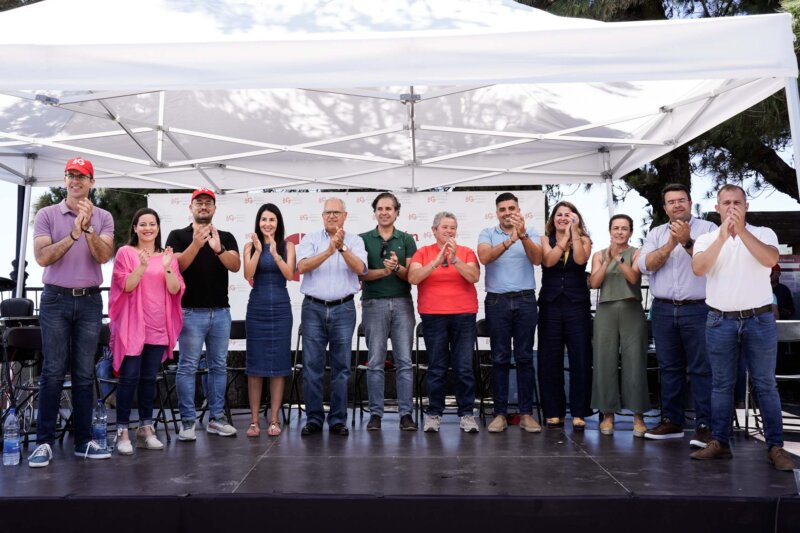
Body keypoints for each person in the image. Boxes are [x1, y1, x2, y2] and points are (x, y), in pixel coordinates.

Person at [690, 184, 795, 471]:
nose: (732, 208)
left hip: (758, 318)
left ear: (746, 206)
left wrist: (742, 231)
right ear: (717, 208)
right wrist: (723, 236)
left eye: (737, 202)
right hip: (719, 318)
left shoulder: (763, 233)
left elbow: (770, 260)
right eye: (726, 203)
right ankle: (720, 442)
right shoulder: (707, 238)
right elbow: (699, 268)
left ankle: (775, 446)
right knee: (721, 384)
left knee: (765, 384)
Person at [28, 157, 115, 467]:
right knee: (52, 370)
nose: (76, 180)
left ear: (92, 182)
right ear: (64, 180)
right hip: (55, 299)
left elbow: (104, 256)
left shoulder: (103, 217)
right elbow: (42, 257)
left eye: (82, 176)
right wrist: (73, 234)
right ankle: (44, 443)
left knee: (83, 372)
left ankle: (84, 441)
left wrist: (88, 228)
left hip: (90, 301)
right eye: (71, 175)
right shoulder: (47, 214)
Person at [637, 183, 716, 447]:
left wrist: (687, 241)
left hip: (699, 308)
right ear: (665, 208)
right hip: (663, 308)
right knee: (669, 368)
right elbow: (645, 265)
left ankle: (705, 426)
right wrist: (671, 244)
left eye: (681, 200)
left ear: (690, 203)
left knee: (702, 369)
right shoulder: (657, 233)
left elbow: (714, 264)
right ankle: (672, 421)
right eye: (671, 202)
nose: (677, 205)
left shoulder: (708, 229)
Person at [166, 188, 241, 441]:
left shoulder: (226, 236)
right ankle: (187, 421)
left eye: (208, 203)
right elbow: (177, 266)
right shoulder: (177, 235)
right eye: (199, 203)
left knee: (218, 367)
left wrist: (218, 249)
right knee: (187, 366)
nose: (204, 207)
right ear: (191, 207)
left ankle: (216, 418)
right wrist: (197, 244)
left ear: (215, 209)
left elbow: (236, 265)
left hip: (220, 312)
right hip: (189, 312)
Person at [109, 208, 184, 455]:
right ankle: (122, 430)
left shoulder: (167, 256)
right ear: (135, 228)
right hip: (132, 325)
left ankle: (145, 428)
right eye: (143, 224)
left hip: (157, 324)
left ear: (158, 228)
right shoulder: (125, 253)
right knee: (129, 376)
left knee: (149, 379)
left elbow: (175, 290)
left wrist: (168, 267)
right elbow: (127, 286)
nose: (148, 228)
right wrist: (141, 267)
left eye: (152, 224)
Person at [296, 198, 367, 437]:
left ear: (345, 216)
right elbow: (302, 266)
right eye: (328, 212)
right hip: (313, 309)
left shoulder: (355, 240)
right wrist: (329, 250)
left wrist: (342, 247)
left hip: (344, 309)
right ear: (322, 215)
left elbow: (360, 269)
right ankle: (314, 418)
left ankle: (338, 419)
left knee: (342, 368)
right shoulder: (310, 239)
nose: (332, 216)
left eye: (337, 212)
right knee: (312, 366)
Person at [476, 192, 543, 434]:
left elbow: (538, 259)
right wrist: (509, 240)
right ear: (497, 213)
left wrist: (522, 235)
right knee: (500, 358)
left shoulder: (531, 232)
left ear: (518, 210)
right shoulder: (488, 233)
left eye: (511, 208)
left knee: (525, 357)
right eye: (502, 209)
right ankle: (500, 414)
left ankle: (526, 414)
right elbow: (484, 257)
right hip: (497, 301)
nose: (507, 213)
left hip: (525, 299)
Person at [408, 211, 481, 433]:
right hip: (434, 315)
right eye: (445, 227)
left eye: (452, 228)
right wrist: (437, 261)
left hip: (464, 314)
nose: (449, 231)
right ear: (434, 230)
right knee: (437, 367)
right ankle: (434, 414)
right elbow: (413, 278)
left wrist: (455, 258)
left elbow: (473, 277)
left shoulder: (466, 252)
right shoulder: (423, 252)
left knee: (463, 367)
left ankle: (467, 414)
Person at [359, 192, 417, 431]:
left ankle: (406, 414)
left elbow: (412, 277)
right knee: (375, 362)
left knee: (404, 361)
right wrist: (384, 271)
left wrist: (397, 267)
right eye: (380, 208)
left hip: (403, 303)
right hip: (374, 304)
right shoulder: (362, 239)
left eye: (389, 209)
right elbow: (361, 275)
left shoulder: (407, 239)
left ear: (397, 212)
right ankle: (375, 415)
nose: (384, 212)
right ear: (375, 212)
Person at [589, 214, 649, 437]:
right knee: (605, 360)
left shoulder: (637, 253)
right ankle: (607, 415)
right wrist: (607, 260)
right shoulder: (599, 254)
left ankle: (638, 417)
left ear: (631, 232)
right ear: (610, 231)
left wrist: (620, 260)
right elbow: (594, 283)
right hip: (605, 310)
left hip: (631, 309)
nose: (620, 232)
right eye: (616, 228)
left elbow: (634, 279)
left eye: (624, 228)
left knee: (635, 361)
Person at [537, 201, 593, 431]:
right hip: (551, 305)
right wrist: (562, 240)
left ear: (575, 217)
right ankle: (553, 412)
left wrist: (575, 234)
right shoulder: (544, 240)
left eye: (567, 215)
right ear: (553, 219)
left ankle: (579, 412)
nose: (562, 218)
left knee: (581, 358)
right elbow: (549, 261)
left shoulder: (584, 240)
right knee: (549, 359)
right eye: (559, 215)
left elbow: (580, 260)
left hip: (576, 305)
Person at [243, 203, 296, 438]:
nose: (267, 224)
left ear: (278, 223)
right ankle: (254, 421)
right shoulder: (249, 245)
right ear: (258, 221)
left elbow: (289, 274)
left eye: (272, 220)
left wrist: (275, 253)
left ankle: (274, 419)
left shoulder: (288, 245)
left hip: (281, 310)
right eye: (263, 219)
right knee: (255, 367)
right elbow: (248, 274)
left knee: (278, 367)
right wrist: (256, 251)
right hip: (257, 309)